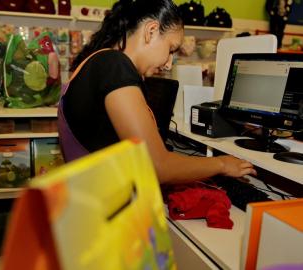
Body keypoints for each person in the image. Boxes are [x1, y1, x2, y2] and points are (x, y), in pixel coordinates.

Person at [59, 0, 257, 184]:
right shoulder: (114, 66)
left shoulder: (96, 62)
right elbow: (157, 166)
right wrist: (222, 164)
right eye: (171, 49)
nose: (169, 64)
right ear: (151, 31)